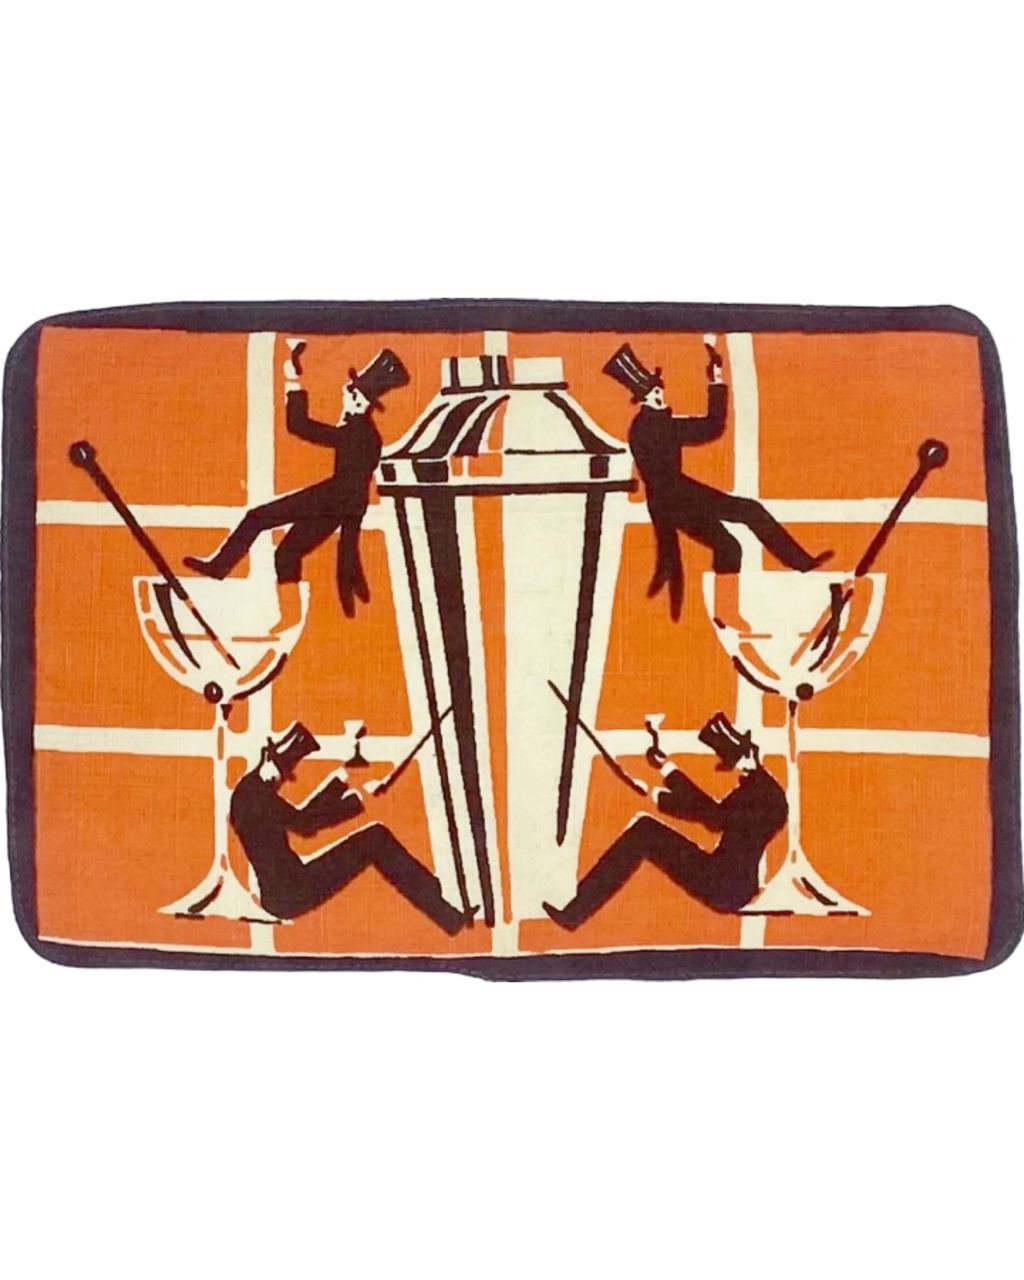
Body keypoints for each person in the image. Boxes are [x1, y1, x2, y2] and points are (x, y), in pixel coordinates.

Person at [603, 338, 831, 621]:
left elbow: (711, 427)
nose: (659, 395)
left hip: (678, 497)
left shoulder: (660, 422)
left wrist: (716, 380)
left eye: (658, 389)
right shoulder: (648, 427)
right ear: (641, 400)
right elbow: (666, 471)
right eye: (651, 393)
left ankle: (728, 612)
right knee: (749, 511)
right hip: (675, 499)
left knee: (729, 546)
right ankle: (799, 564)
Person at [184, 346, 409, 617]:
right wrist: (349, 545)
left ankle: (220, 567)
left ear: (360, 402)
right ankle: (290, 615)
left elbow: (299, 425)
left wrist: (293, 381)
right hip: (341, 504)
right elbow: (358, 488)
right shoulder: (363, 432)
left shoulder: (357, 433)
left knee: (257, 517)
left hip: (331, 499)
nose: (344, 391)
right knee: (287, 553)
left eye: (351, 390)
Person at [542, 712, 787, 926]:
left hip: (724, 885)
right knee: (645, 831)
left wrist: (665, 778)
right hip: (724, 878)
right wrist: (663, 776)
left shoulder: (764, 795)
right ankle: (576, 910)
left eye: (731, 759)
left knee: (643, 832)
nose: (734, 767)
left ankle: (575, 913)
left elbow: (712, 817)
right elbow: (711, 813)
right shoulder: (759, 789)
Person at [230, 721, 471, 931]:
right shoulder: (257, 795)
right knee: (375, 838)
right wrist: (352, 802)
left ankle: (435, 896)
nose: (283, 778)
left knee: (375, 838)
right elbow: (305, 823)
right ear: (267, 759)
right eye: (284, 771)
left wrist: (340, 783)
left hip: (287, 889)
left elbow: (302, 817)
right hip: (292, 892)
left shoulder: (250, 791)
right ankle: (443, 910)